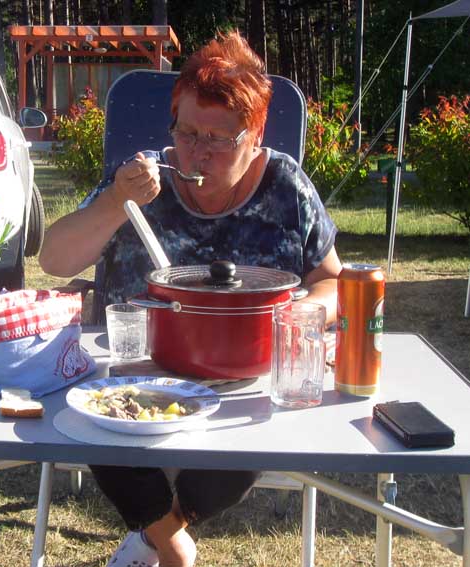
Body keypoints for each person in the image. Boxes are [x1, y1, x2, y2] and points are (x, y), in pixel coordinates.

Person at [39, 30, 342, 567]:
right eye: (186, 131)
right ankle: (174, 546)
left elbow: (330, 280)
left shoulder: (284, 186)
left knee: (253, 439)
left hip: (245, 374)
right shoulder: (140, 179)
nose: (196, 151)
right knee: (99, 422)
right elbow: (56, 260)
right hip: (137, 372)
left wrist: (298, 317)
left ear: (254, 136)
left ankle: (160, 531)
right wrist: (115, 201)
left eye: (218, 140)